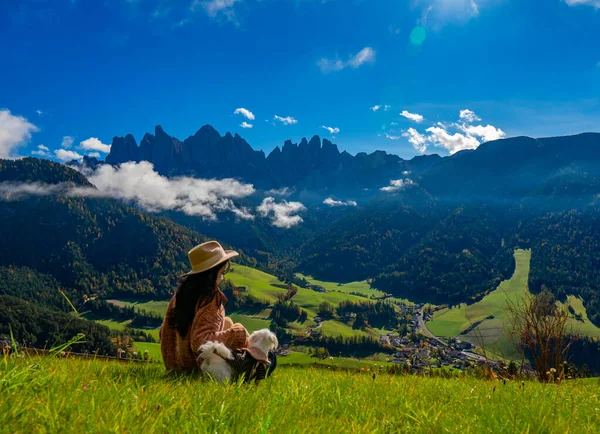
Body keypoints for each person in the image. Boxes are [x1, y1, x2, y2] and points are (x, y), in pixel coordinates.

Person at [160, 241, 249, 373]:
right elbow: (200, 342)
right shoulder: (209, 299)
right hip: (199, 370)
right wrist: (237, 335)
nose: (223, 277)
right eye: (222, 271)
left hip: (174, 367)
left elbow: (163, 332)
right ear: (212, 273)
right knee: (238, 334)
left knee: (227, 322)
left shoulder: (180, 295)